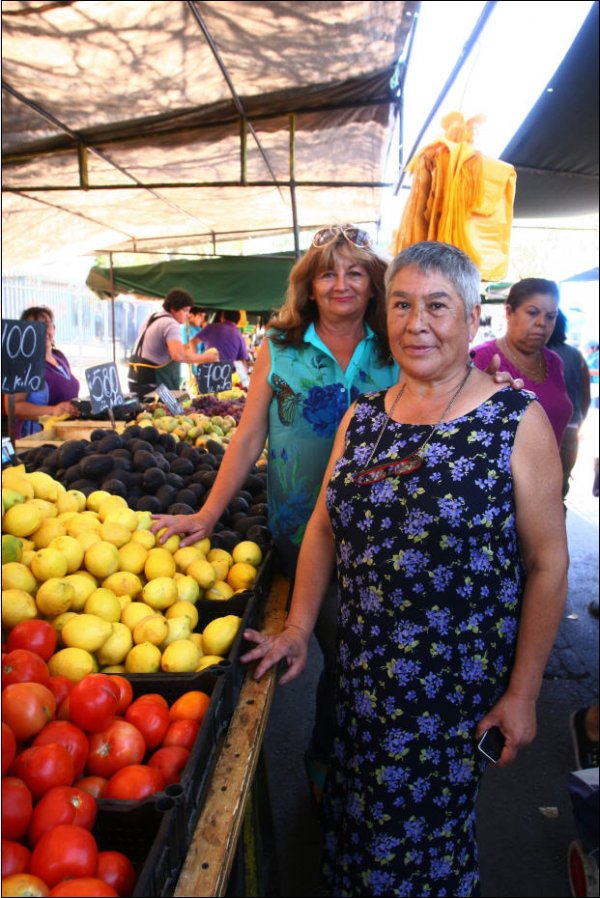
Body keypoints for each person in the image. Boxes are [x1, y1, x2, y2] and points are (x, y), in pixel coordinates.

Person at [242, 241, 568, 896]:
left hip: (451, 699)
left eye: (437, 307)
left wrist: (524, 694)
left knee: (428, 849)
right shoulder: (363, 420)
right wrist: (301, 626)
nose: (417, 323)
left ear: (473, 318)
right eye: (402, 305)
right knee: (355, 829)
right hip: (364, 684)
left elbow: (548, 564)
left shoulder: (513, 420)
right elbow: (324, 529)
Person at [471, 278, 573, 447]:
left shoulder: (555, 362)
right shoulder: (481, 358)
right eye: (532, 312)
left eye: (550, 316)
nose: (542, 323)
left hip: (549, 471)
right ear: (509, 312)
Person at [2, 306, 79, 439]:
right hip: (35, 439)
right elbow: (12, 407)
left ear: (53, 328)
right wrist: (53, 411)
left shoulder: (60, 357)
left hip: (62, 434)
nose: (42, 330)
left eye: (46, 325)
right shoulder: (23, 364)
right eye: (35, 326)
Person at [127, 289, 219, 396]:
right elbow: (178, 355)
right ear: (173, 309)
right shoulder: (171, 324)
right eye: (185, 311)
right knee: (174, 410)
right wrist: (205, 358)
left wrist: (183, 347)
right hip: (153, 383)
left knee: (150, 411)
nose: (188, 315)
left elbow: (160, 349)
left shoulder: (153, 317)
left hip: (136, 378)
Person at [546, 310, 592, 497]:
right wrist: (578, 423)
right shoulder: (576, 355)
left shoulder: (532, 354)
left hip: (536, 430)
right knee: (560, 488)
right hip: (569, 429)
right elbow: (585, 397)